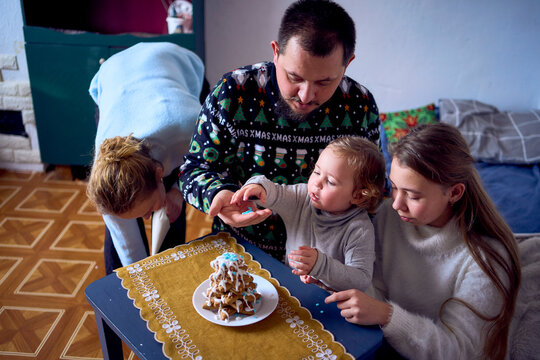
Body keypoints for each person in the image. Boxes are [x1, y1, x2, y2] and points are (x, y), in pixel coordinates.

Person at [179, 0, 381, 262]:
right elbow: (194, 169)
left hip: (325, 264)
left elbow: (373, 189)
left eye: (324, 82)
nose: (306, 96)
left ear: (347, 64)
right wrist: (219, 194)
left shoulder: (360, 106)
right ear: (276, 52)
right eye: (294, 77)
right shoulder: (234, 91)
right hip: (242, 249)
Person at [325, 123, 521, 360]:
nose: (397, 204)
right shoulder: (389, 213)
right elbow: (368, 278)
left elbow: (461, 351)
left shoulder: (484, 260)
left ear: (455, 193)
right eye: (394, 187)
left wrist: (387, 316)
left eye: (413, 195)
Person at [86, 42, 206, 274]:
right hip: (115, 75)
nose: (148, 217)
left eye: (148, 210)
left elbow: (207, 166)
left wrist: (178, 194)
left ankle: (173, 273)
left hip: (171, 62)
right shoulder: (104, 176)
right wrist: (141, 278)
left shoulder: (191, 127)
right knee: (117, 228)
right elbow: (127, 244)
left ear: (158, 173)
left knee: (170, 209)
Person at [231, 136, 385, 292]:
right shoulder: (302, 197)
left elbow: (361, 280)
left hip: (334, 305)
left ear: (358, 196)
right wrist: (258, 186)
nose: (316, 183)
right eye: (317, 172)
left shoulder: (359, 229)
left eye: (330, 181)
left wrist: (320, 265)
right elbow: (274, 192)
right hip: (293, 288)